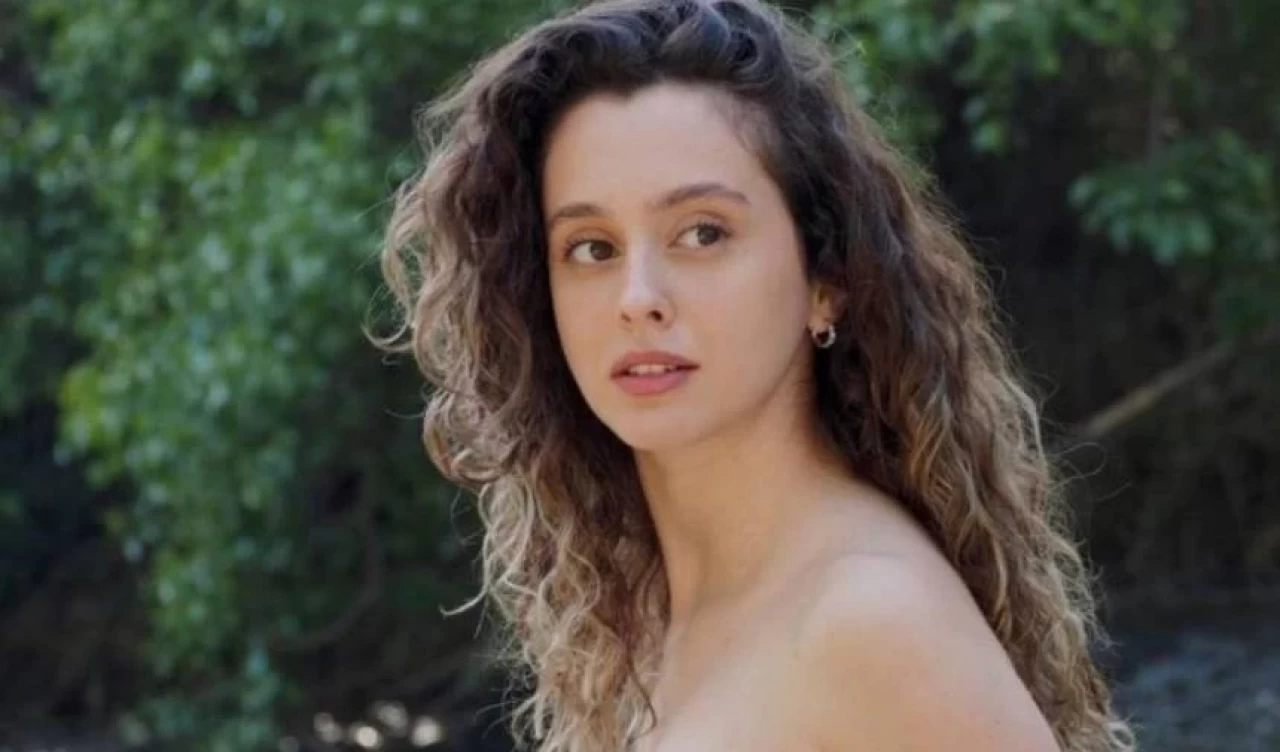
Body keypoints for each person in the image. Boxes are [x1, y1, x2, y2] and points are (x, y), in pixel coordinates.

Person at [374, 0, 1136, 750]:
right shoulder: (644, 619)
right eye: (591, 248)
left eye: (702, 233)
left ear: (826, 277)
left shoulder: (872, 618)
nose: (638, 297)